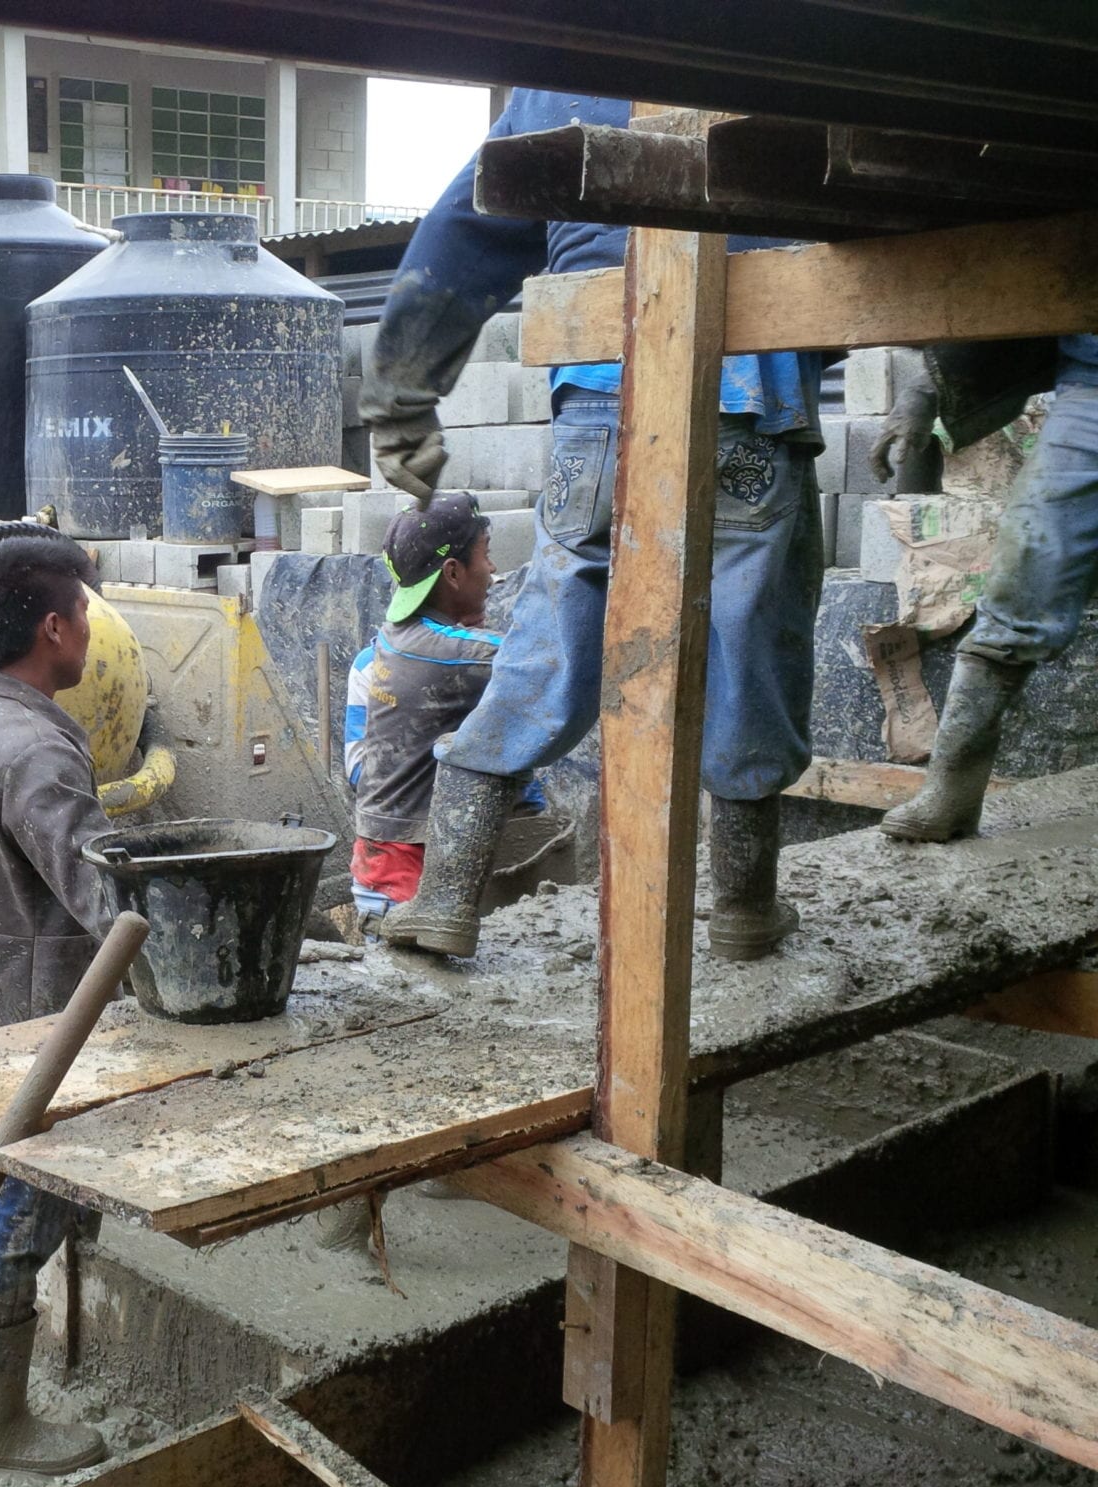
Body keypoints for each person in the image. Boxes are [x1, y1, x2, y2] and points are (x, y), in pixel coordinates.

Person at [362, 91, 825, 963]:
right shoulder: (788, 49)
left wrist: (400, 391)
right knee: (753, 642)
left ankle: (447, 900)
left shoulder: (563, 73)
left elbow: (471, 219)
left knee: (551, 638)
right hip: (753, 394)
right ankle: (744, 910)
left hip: (599, 398)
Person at [0, 536, 114, 1475]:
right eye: (84, 613)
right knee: (17, 1212)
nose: (91, 631)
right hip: (38, 1022)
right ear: (54, 628)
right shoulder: (37, 749)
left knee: (6, 1195)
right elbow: (104, 902)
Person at [874, 334, 1098, 841]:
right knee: (1028, 555)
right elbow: (1005, 277)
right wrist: (925, 391)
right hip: (1092, 385)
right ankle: (952, 790)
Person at [345, 494, 544, 931]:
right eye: (486, 554)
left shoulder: (379, 652)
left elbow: (358, 767)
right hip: (412, 882)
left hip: (378, 871)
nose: (492, 571)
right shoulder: (467, 656)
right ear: (453, 573)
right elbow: (543, 659)